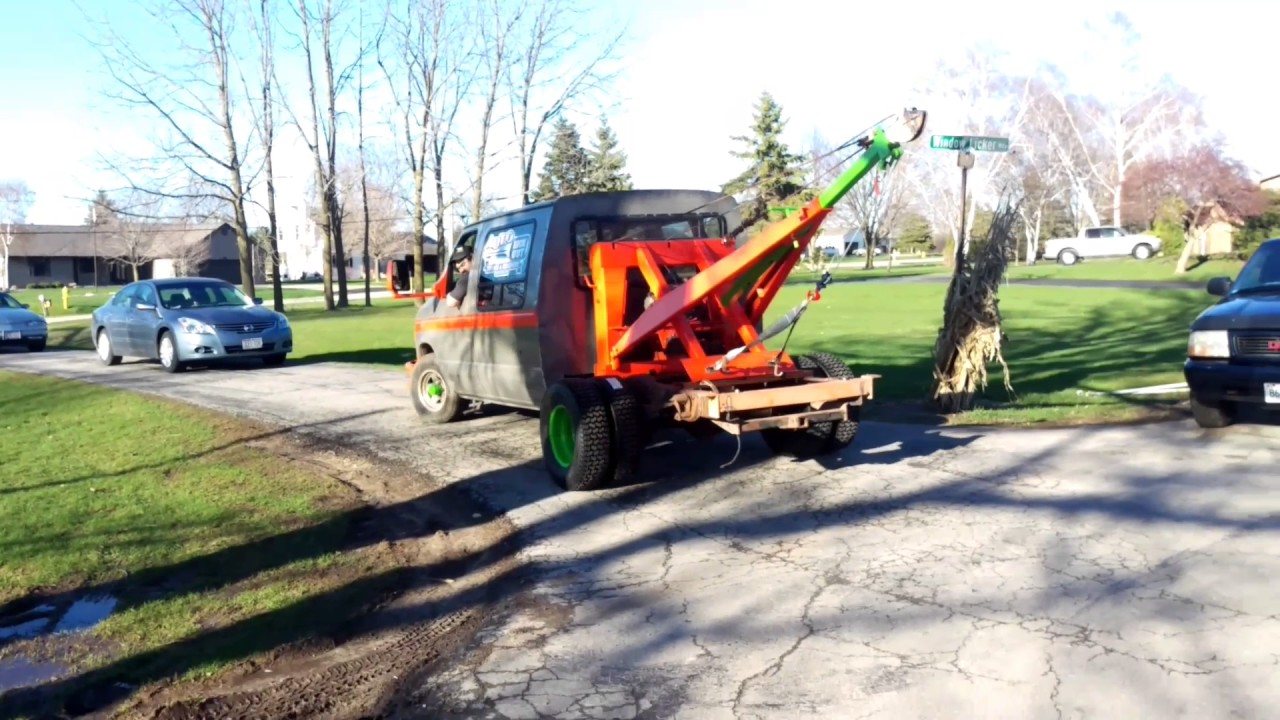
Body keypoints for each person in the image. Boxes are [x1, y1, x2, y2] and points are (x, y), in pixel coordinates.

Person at [445, 244, 473, 308]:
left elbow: (451, 303)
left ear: (472, 258)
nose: (461, 270)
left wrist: (449, 295)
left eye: (463, 264)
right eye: (458, 268)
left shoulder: (467, 279)